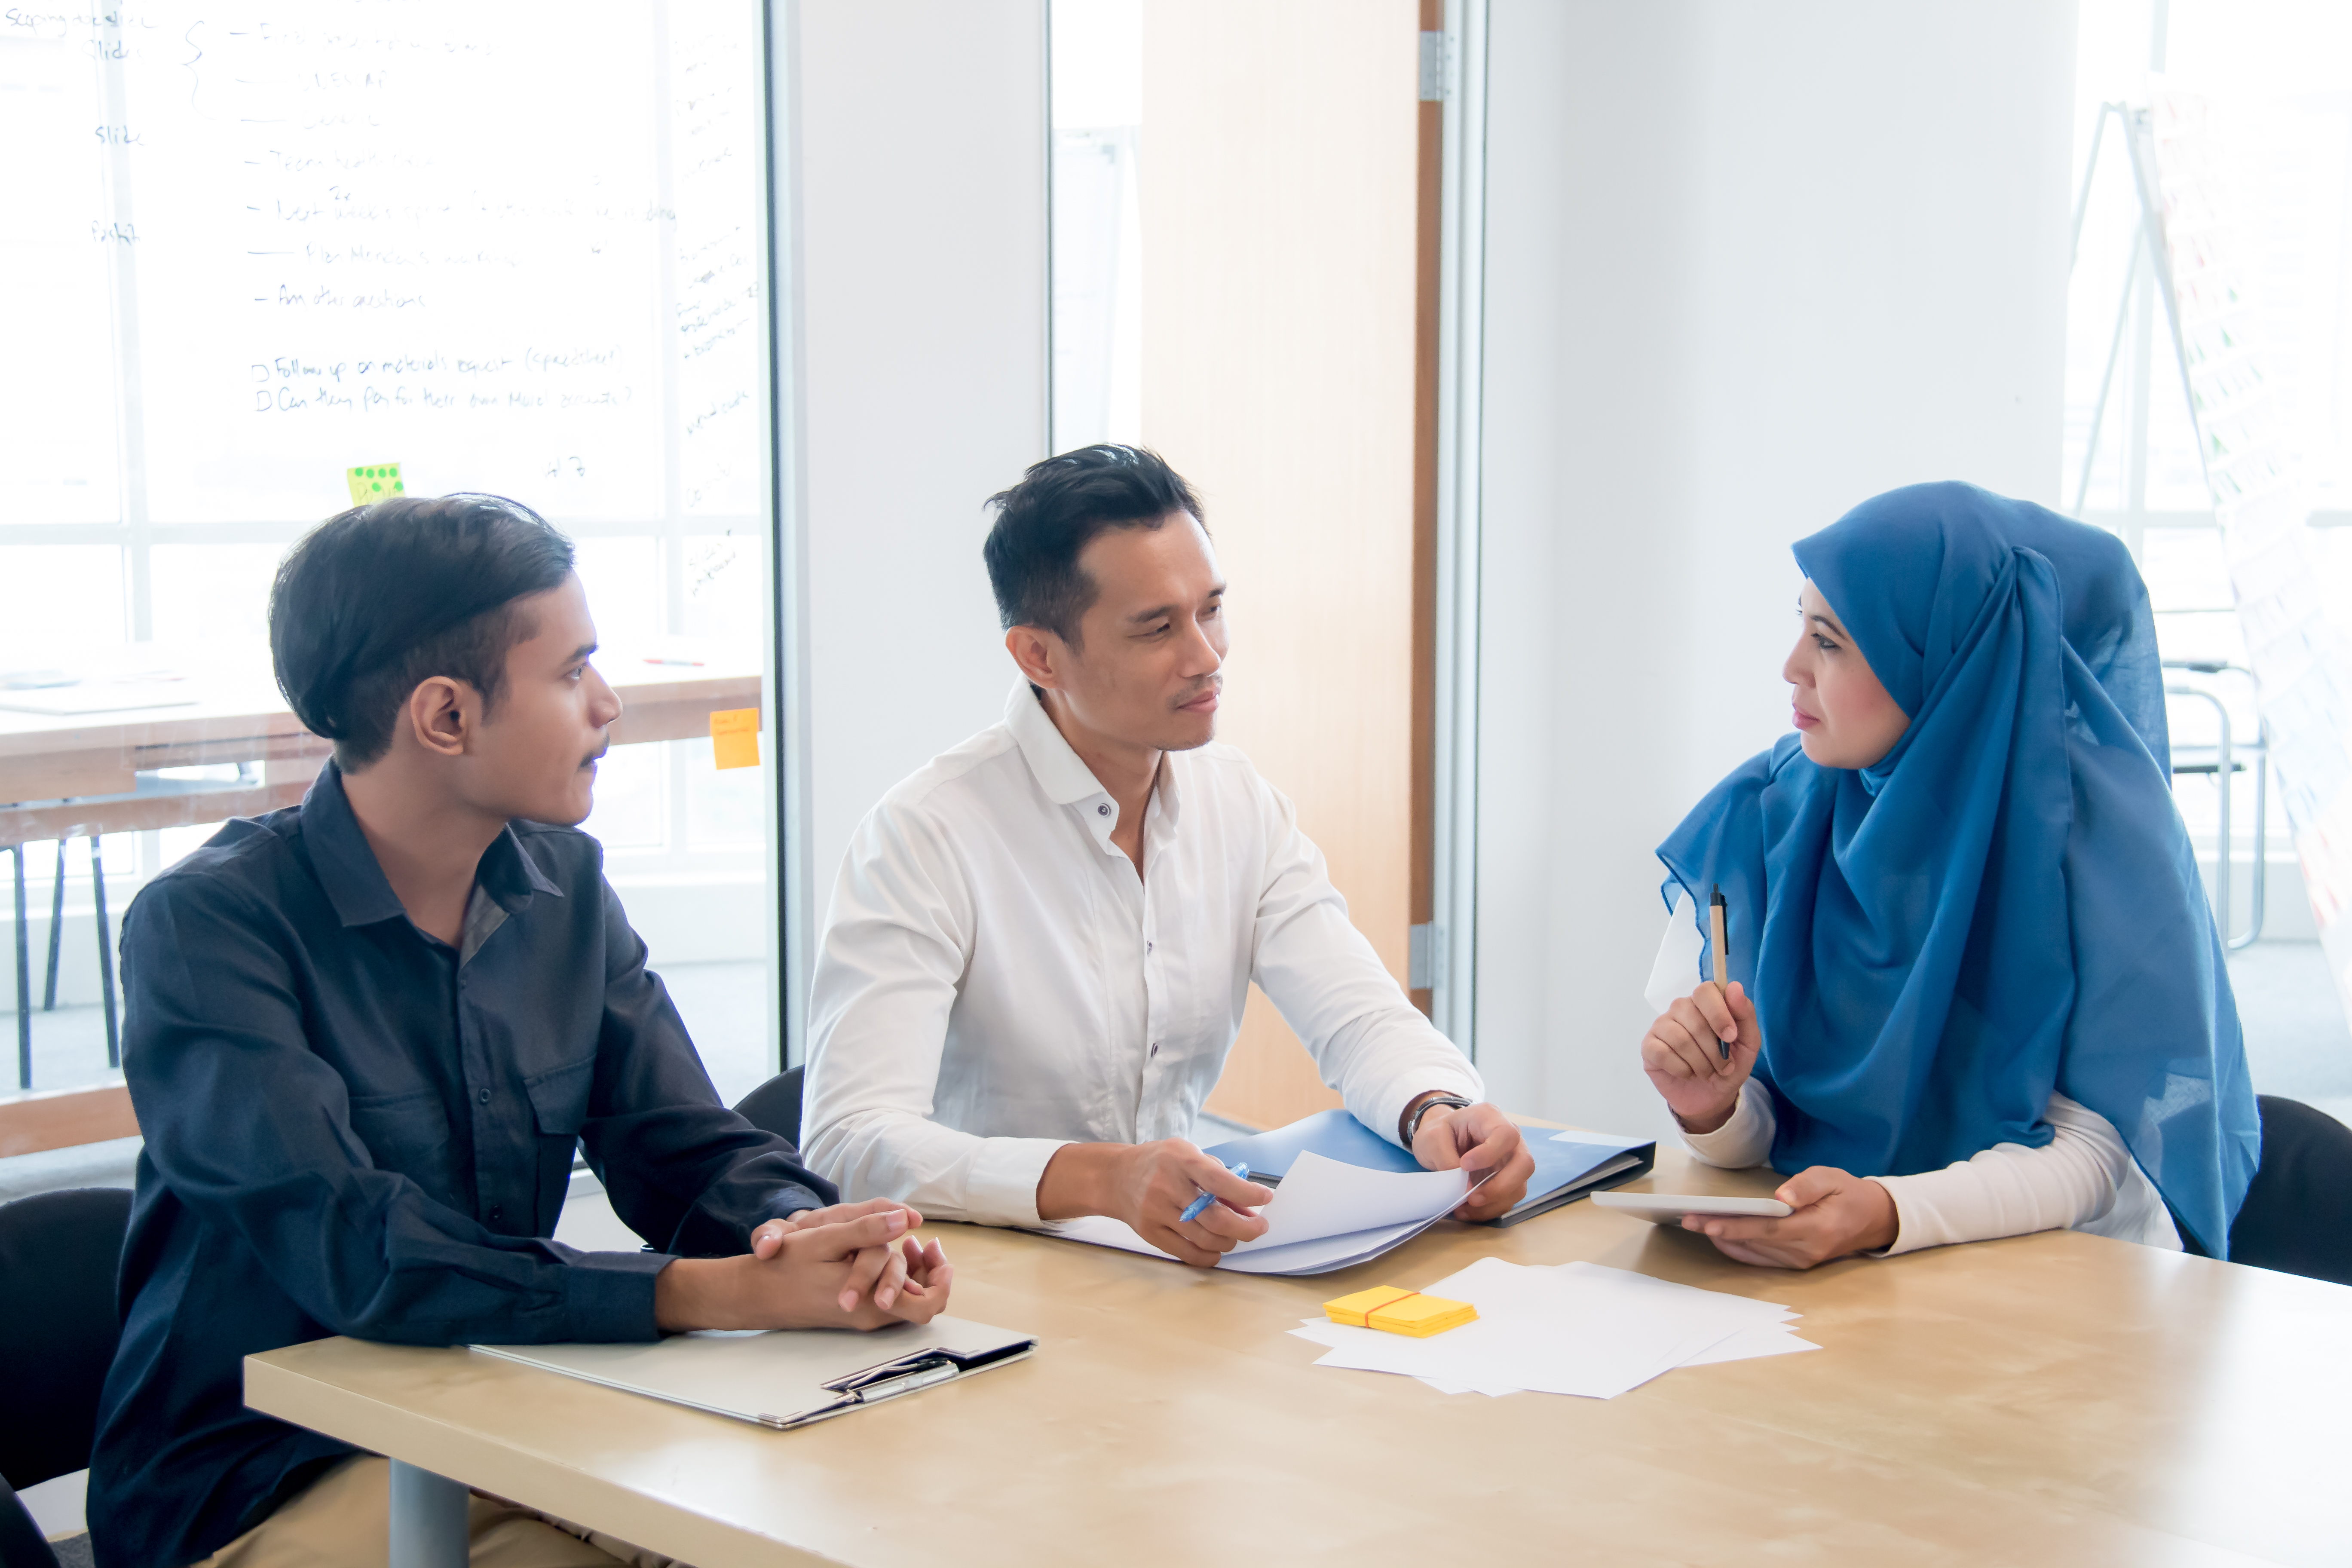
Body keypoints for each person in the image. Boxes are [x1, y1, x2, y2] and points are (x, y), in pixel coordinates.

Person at [89, 496, 951, 1568]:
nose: (610, 704)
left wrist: (815, 1237)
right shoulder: (208, 926)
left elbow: (681, 1147)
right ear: (446, 717)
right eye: (571, 671)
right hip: (263, 1475)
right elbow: (358, 1249)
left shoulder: (566, 885)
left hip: (509, 1414)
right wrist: (702, 1290)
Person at [802, 445, 1533, 1263]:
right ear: (1039, 656)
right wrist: (1095, 1179)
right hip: (980, 1283)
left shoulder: (1238, 801)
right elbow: (849, 1140)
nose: (1207, 656)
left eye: (1210, 610)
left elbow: (1358, 1017)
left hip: (1178, 1270)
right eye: (1157, 628)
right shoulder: (926, 835)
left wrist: (1436, 1111)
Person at [1639, 481, 2268, 1270]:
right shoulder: (1775, 811)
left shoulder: (2094, 842)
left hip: (2054, 1293)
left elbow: (2096, 1156)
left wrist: (1887, 1211)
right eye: (1800, 628)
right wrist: (1715, 1110)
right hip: (1842, 1278)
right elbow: (1782, 1129)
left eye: (1830, 641)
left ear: (1947, 662)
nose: (1791, 667)